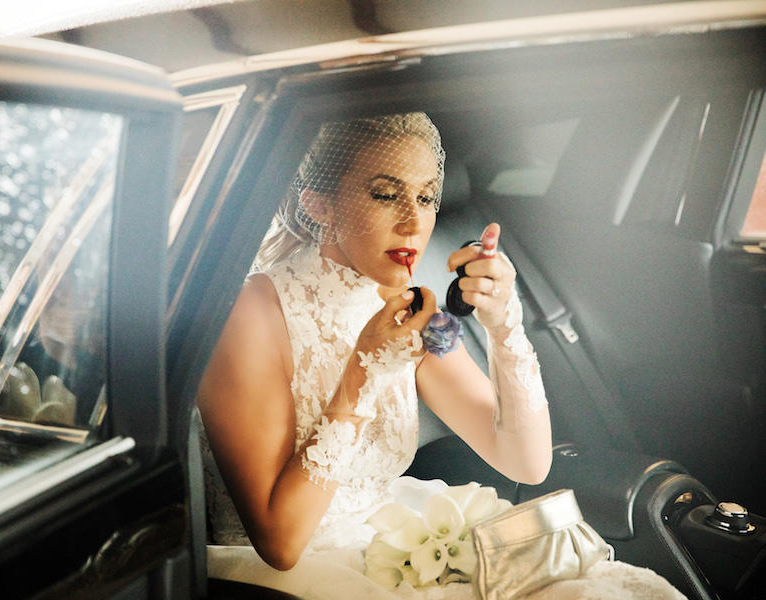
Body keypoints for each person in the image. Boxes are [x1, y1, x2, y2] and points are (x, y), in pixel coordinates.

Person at [196, 113, 685, 599]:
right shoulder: (248, 314)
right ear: (320, 205)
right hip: (288, 578)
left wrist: (503, 326)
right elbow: (280, 544)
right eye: (386, 195)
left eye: (426, 196)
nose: (413, 221)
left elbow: (526, 462)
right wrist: (361, 377)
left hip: (390, 545)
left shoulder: (413, 308)